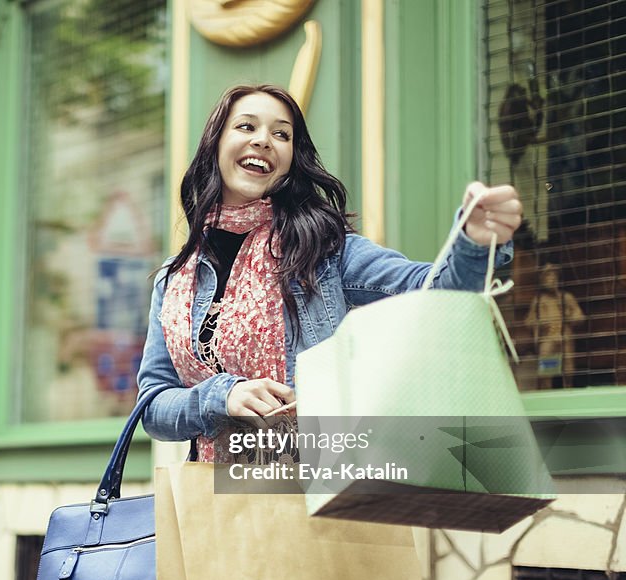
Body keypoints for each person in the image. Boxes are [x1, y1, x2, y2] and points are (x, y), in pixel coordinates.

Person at [137, 84, 523, 462]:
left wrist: (474, 242)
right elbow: (152, 408)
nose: (263, 140)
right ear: (216, 145)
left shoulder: (324, 249)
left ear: (291, 157)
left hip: (315, 485)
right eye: (246, 126)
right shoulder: (173, 281)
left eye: (281, 134)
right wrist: (220, 396)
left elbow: (436, 294)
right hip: (211, 501)